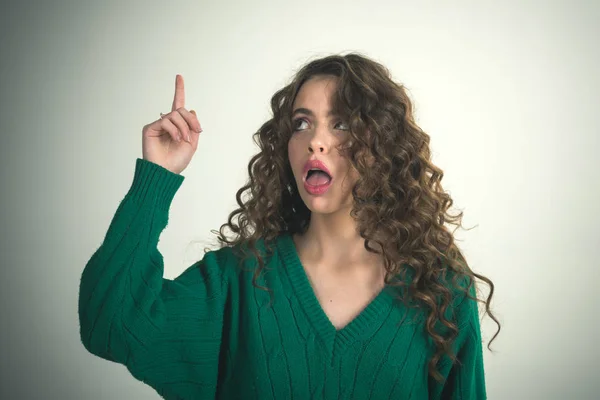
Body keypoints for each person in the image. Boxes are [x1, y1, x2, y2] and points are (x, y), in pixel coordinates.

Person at [78, 53, 500, 399]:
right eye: (302, 123)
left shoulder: (437, 288)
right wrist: (157, 177)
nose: (316, 139)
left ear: (383, 145)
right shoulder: (238, 280)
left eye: (342, 123)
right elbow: (112, 323)